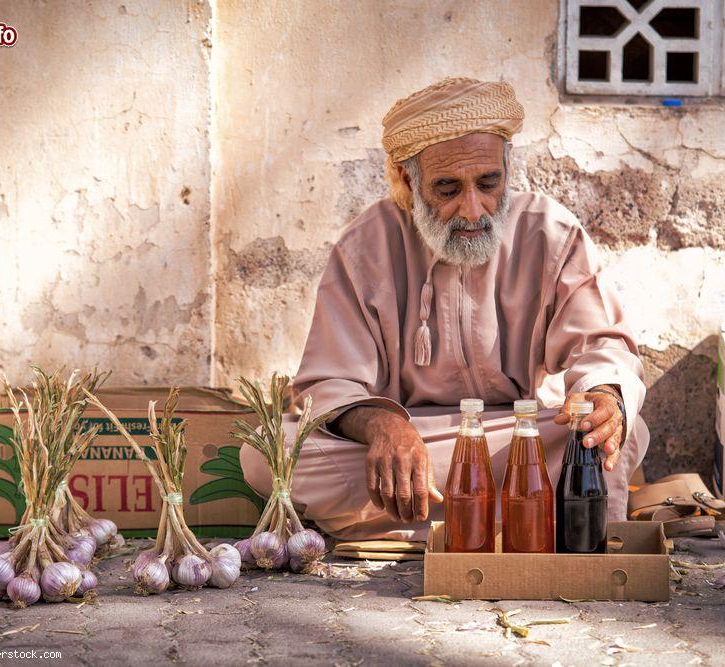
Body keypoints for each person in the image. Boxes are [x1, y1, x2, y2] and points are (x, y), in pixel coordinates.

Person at [240, 78, 649, 540]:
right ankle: (520, 516)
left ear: (506, 170)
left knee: (617, 432)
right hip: (407, 436)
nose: (473, 209)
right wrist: (382, 425)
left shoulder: (548, 232)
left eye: (488, 183)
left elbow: (603, 344)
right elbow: (330, 381)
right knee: (266, 452)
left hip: (515, 437)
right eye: (448, 188)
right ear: (408, 180)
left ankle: (418, 522)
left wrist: (605, 397)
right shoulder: (368, 245)